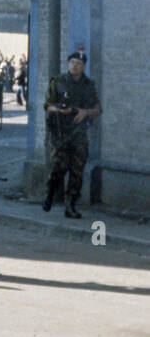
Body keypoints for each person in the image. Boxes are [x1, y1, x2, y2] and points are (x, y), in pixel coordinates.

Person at [43, 50, 102, 217]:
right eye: (72, 62)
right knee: (58, 168)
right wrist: (59, 111)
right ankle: (50, 192)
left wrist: (85, 112)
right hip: (60, 132)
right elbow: (47, 106)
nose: (75, 66)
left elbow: (98, 109)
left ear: (83, 67)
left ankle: (70, 205)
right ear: (68, 64)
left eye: (78, 64)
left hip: (79, 133)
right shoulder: (58, 82)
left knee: (77, 171)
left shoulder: (88, 85)